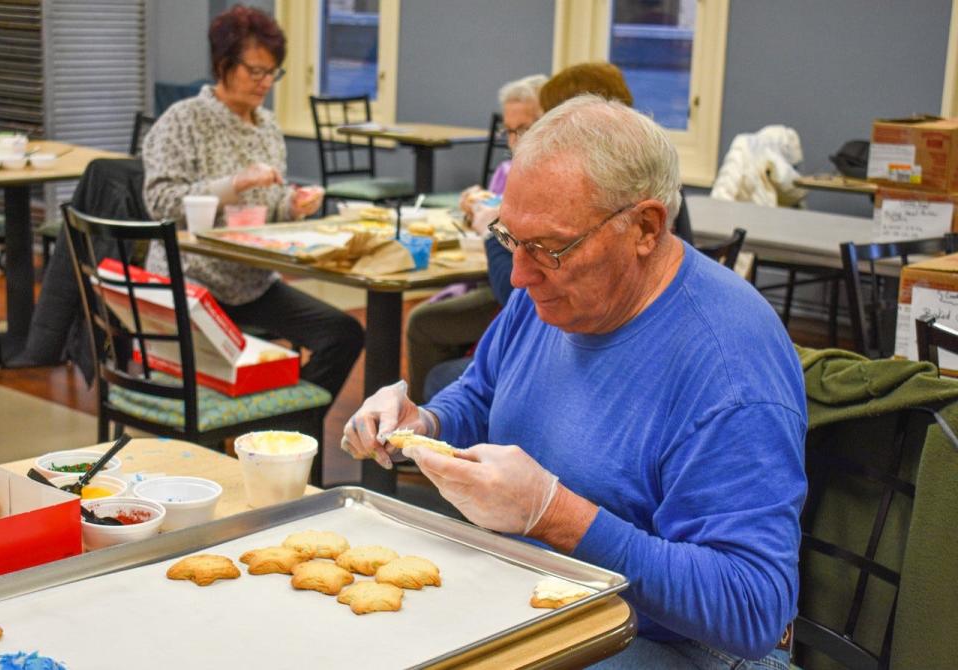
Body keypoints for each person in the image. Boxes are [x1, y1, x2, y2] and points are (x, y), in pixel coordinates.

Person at [342, 96, 807, 668]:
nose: (518, 274)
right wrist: (427, 421)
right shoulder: (546, 293)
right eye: (511, 239)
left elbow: (751, 608)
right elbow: (484, 390)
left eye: (548, 249)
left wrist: (554, 514)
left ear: (644, 227)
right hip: (538, 596)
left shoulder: (728, 365)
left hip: (668, 640)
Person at [142, 5, 363, 402]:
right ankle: (263, 427)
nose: (265, 83)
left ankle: (291, 427)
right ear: (223, 65)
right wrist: (234, 184)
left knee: (342, 333)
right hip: (191, 281)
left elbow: (270, 205)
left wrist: (292, 205)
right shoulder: (183, 120)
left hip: (253, 283)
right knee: (238, 373)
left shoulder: (267, 126)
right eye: (255, 71)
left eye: (272, 73)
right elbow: (159, 202)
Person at [411, 63, 643, 402]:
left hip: (570, 346)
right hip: (559, 332)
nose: (535, 138)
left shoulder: (593, 196)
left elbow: (519, 292)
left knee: (449, 377)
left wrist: (494, 233)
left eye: (544, 122)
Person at [405, 74, 546, 403]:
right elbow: (494, 228)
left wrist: (491, 225)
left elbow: (513, 260)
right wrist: (476, 211)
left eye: (525, 129)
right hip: (494, 281)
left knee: (424, 323)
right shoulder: (508, 172)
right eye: (509, 131)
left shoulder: (544, 181)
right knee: (430, 320)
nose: (514, 141)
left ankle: (424, 429)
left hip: (517, 292)